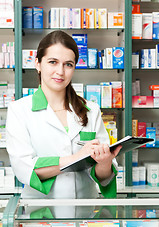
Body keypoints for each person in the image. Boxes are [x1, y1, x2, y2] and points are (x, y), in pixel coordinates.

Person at [6, 30, 121, 200]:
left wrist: (104, 162)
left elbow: (104, 177)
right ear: (38, 64)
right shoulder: (19, 110)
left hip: (84, 213)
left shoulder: (91, 109)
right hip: (40, 215)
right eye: (53, 62)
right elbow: (25, 168)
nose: (60, 71)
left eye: (68, 64)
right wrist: (76, 158)